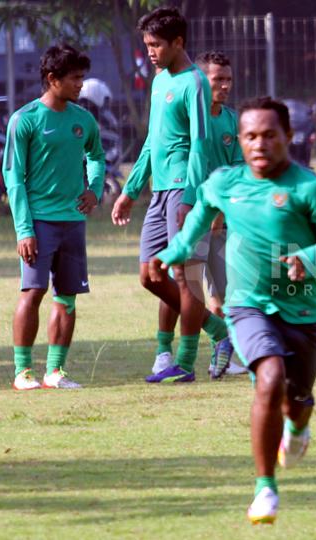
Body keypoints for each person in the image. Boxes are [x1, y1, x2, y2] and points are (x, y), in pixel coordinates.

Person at [149, 97, 316, 525]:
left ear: (288, 138)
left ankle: (298, 427)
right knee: (269, 378)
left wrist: (311, 259)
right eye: (250, 136)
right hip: (246, 307)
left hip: (301, 313)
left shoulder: (309, 189)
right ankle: (265, 489)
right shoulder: (225, 182)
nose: (259, 144)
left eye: (269, 135)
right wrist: (173, 252)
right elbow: (196, 222)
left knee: (296, 399)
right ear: (239, 140)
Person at [111, 7, 230, 383]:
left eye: (156, 44)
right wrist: (130, 190)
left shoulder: (194, 83)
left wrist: (191, 197)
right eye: (146, 44)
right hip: (159, 191)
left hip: (183, 189)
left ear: (178, 42)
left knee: (185, 275)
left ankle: (185, 361)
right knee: (149, 276)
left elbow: (200, 143)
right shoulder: (160, 79)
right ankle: (219, 331)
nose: (150, 51)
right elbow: (151, 140)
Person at [3, 43, 105, 390]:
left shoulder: (83, 119)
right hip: (39, 223)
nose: (81, 84)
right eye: (75, 78)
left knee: (67, 297)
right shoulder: (25, 119)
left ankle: (55, 371)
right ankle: (22, 372)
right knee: (33, 293)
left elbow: (97, 155)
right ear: (52, 78)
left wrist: (95, 188)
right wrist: (24, 230)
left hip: (73, 222)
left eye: (82, 77)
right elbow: (13, 177)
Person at [196, 50, 249, 378]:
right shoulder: (188, 116)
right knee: (184, 289)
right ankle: (173, 355)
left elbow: (239, 169)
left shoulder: (232, 120)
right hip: (189, 215)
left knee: (222, 291)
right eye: (219, 79)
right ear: (202, 80)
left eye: (229, 79)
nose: (225, 85)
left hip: (222, 219)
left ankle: (226, 353)